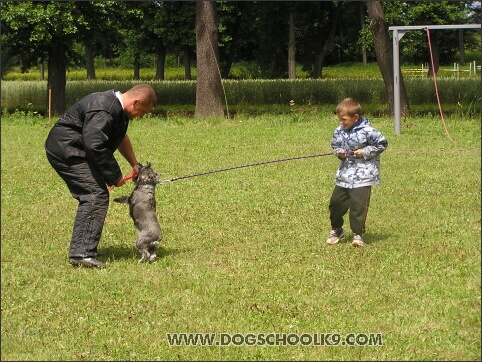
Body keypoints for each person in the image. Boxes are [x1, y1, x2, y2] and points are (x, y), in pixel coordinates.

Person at [45, 84, 157, 268]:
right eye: (143, 111)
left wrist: (134, 164)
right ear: (136, 102)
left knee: (96, 192)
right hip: (66, 150)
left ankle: (85, 248)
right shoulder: (105, 109)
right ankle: (81, 254)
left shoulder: (119, 110)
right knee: (95, 194)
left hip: (78, 149)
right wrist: (114, 176)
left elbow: (121, 137)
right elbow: (94, 144)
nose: (142, 116)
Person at [326, 98, 388, 247]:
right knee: (335, 204)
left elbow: (382, 144)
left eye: (344, 119)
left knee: (358, 206)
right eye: (339, 119)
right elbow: (335, 145)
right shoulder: (339, 131)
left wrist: (365, 151)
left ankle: (358, 235)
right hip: (344, 175)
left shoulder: (369, 131)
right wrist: (339, 152)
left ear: (356, 118)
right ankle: (337, 230)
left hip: (364, 175)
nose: (341, 122)